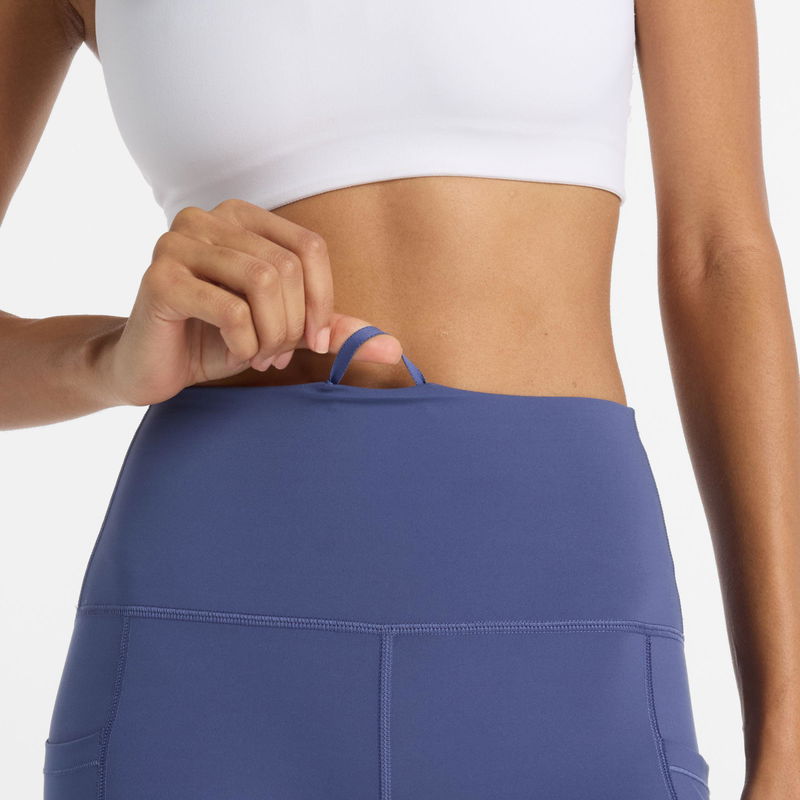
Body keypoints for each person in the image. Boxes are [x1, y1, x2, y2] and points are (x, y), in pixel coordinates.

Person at [2, 1, 798, 798]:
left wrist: (788, 742)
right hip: (200, 636)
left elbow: (719, 257)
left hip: (562, 614)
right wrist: (106, 360)